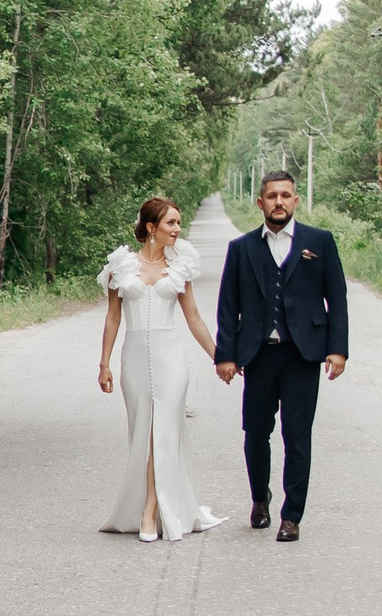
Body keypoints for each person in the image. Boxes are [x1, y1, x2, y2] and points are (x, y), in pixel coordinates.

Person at [213, 170, 349, 542]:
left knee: (298, 435)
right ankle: (260, 499)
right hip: (258, 355)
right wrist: (226, 355)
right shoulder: (241, 248)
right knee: (255, 433)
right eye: (272, 196)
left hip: (303, 355)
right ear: (260, 203)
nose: (279, 202)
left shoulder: (319, 242)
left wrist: (337, 350)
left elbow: (336, 298)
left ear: (296, 201)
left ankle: (292, 516)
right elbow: (228, 305)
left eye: (285, 195)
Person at [97, 196, 226, 543]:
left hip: (171, 361)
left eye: (179, 223)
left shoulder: (180, 267)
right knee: (143, 434)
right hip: (134, 360)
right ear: (151, 227)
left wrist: (219, 357)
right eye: (171, 223)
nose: (177, 229)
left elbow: (194, 317)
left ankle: (151, 510)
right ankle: (145, 504)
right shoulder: (120, 267)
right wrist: (104, 362)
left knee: (164, 434)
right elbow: (113, 317)